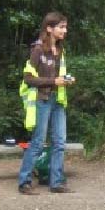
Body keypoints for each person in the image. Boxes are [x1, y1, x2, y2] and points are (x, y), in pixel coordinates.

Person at [17, 11, 75, 195]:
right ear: (49, 28)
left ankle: (56, 182)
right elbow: (28, 78)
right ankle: (24, 182)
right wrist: (54, 81)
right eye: (61, 27)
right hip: (42, 100)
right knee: (38, 142)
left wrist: (65, 80)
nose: (65, 31)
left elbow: (57, 76)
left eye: (65, 27)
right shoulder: (38, 49)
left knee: (60, 142)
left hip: (58, 100)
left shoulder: (61, 50)